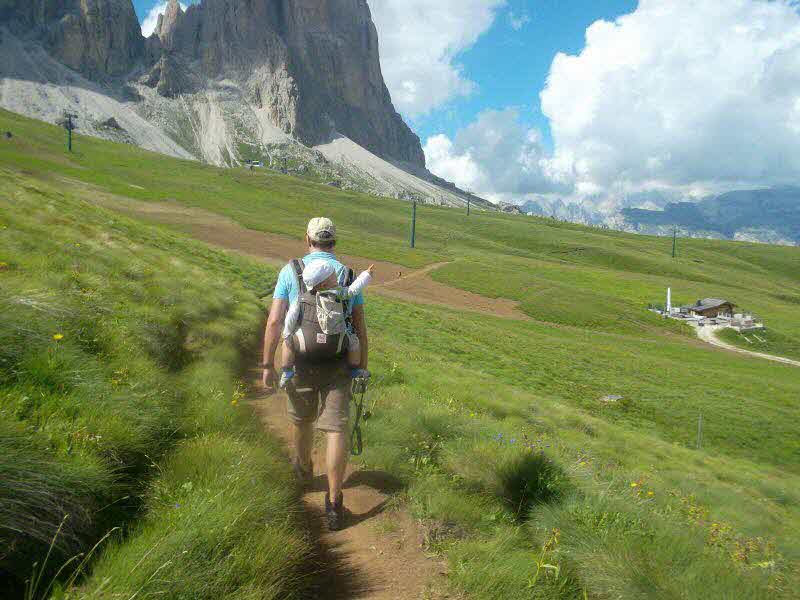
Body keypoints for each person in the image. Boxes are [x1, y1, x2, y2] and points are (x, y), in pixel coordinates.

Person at [261, 217, 369, 531]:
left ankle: (304, 470)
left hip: (300, 360)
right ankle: (334, 503)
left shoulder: (291, 270)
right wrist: (361, 367)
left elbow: (274, 322)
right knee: (336, 430)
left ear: (307, 239)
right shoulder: (347, 274)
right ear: (334, 242)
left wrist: (268, 365)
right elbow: (359, 328)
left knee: (302, 420)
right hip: (339, 363)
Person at [279, 259, 374, 389]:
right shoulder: (338, 294)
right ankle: (354, 369)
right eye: (333, 276)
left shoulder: (301, 298)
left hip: (306, 343)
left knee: (288, 343)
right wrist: (366, 275)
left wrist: (287, 333)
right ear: (324, 284)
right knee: (353, 341)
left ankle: (286, 370)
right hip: (336, 342)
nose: (336, 278)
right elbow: (354, 289)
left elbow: (291, 317)